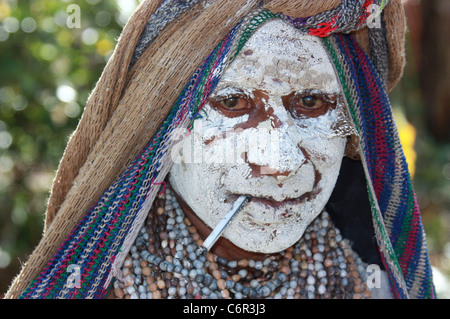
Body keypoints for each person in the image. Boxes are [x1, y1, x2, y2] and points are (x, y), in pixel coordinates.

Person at [5, 0, 435, 299]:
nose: (279, 162)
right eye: (232, 103)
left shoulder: (371, 282)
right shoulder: (98, 284)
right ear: (157, 127)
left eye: (311, 102)